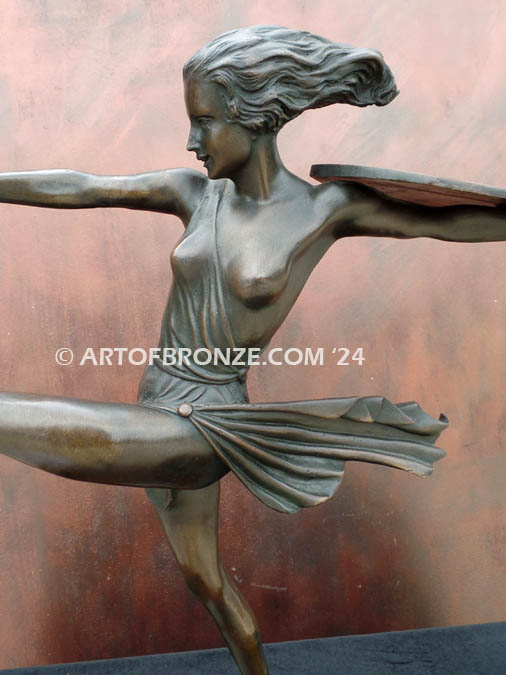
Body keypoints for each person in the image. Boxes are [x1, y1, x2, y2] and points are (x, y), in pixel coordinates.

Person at [0, 26, 504, 675]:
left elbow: (445, 221)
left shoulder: (327, 208)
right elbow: (84, 186)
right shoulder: (191, 193)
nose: (192, 140)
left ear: (252, 115)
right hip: (155, 403)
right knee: (206, 583)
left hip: (208, 425)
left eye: (204, 122)